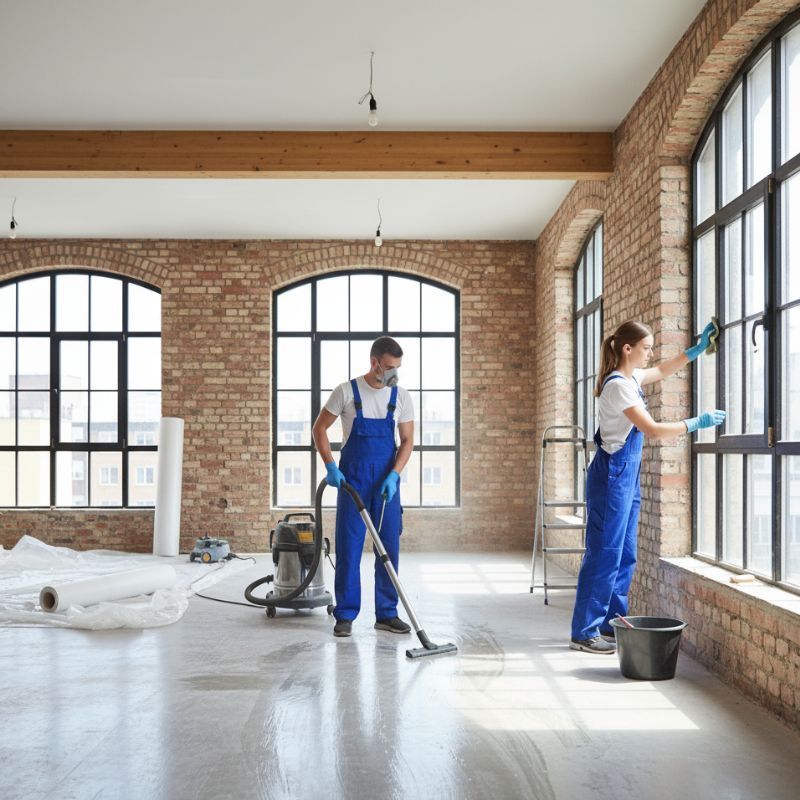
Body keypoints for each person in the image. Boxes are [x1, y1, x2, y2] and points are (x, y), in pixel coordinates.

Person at [570, 319, 725, 654]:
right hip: (612, 475)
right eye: (646, 347)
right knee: (604, 554)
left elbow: (662, 370)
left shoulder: (632, 377)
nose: (650, 353)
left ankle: (612, 624)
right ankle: (584, 631)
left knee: (625, 554)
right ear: (628, 349)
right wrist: (695, 423)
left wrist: (696, 350)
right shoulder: (618, 386)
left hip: (627, 475)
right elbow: (652, 430)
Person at [312, 336, 415, 638]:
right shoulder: (346, 392)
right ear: (374, 363)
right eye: (389, 367)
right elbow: (319, 428)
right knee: (349, 549)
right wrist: (331, 465)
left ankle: (386, 613)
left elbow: (407, 441)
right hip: (353, 482)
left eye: (397, 367)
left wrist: (395, 475)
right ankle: (345, 614)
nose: (394, 373)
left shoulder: (402, 396)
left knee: (388, 549)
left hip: (385, 483)